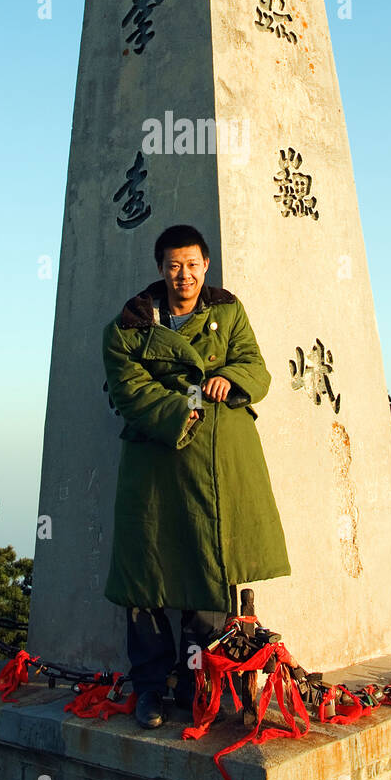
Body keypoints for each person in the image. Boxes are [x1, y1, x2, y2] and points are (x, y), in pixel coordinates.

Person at [102, 223, 290, 727]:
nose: (183, 275)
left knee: (208, 575)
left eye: (192, 265)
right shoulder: (128, 327)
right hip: (155, 464)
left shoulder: (227, 312)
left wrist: (230, 376)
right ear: (160, 269)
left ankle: (195, 684)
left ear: (206, 266)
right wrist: (182, 408)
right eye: (173, 265)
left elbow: (255, 365)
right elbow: (129, 390)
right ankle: (149, 688)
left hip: (218, 462)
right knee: (144, 580)